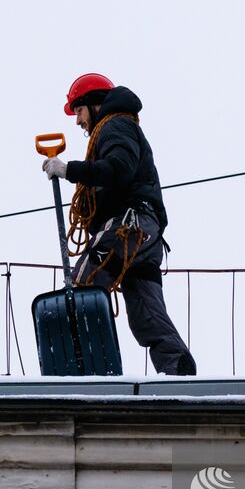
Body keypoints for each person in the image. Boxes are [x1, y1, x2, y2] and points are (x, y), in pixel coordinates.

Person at [41, 73, 197, 376]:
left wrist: (68, 169)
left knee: (83, 285)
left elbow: (118, 168)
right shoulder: (123, 126)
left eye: (79, 111)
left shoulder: (115, 125)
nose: (77, 122)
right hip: (145, 237)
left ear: (94, 104)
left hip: (127, 227)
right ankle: (178, 367)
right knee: (146, 314)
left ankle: (82, 366)